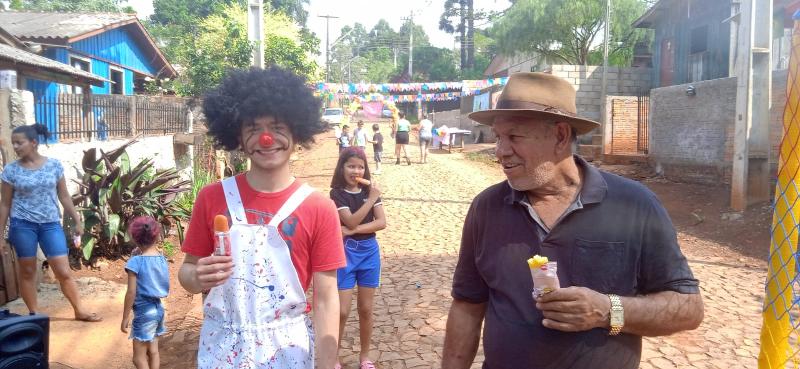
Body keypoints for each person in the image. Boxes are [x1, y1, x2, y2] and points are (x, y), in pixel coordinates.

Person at [441, 72, 704, 369]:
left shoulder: (634, 204)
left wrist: (607, 310)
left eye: (514, 136)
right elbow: (467, 306)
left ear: (561, 136)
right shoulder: (486, 208)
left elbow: (688, 308)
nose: (500, 151)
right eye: (498, 137)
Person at [179, 66, 345, 369]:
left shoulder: (319, 208)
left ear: (296, 132)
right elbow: (187, 273)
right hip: (222, 349)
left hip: (289, 351)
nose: (266, 138)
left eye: (278, 126)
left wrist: (327, 362)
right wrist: (196, 275)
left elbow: (325, 298)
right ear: (238, 138)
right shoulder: (212, 198)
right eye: (252, 128)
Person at [0, 124, 101, 322]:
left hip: (50, 225)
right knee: (28, 271)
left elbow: (64, 196)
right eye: (14, 143)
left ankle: (79, 310)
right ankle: (34, 315)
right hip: (22, 225)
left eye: (19, 142)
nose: (16, 147)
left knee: (63, 271)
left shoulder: (54, 165)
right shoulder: (10, 171)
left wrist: (77, 219)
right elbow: (4, 204)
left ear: (33, 142)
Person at [329, 147, 386, 369]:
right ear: (342, 167)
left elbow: (381, 223)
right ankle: (333, 356)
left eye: (360, 166)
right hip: (345, 253)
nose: (356, 171)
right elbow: (350, 220)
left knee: (366, 309)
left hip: (369, 252)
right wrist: (371, 199)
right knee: (341, 311)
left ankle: (365, 356)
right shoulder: (337, 193)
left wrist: (353, 230)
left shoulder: (369, 190)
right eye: (351, 166)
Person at [121, 216, 169, 369]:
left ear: (135, 238)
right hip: (158, 310)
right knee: (153, 352)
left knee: (138, 358)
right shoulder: (162, 259)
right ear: (156, 236)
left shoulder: (136, 262)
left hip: (144, 313)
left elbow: (131, 292)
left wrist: (125, 316)